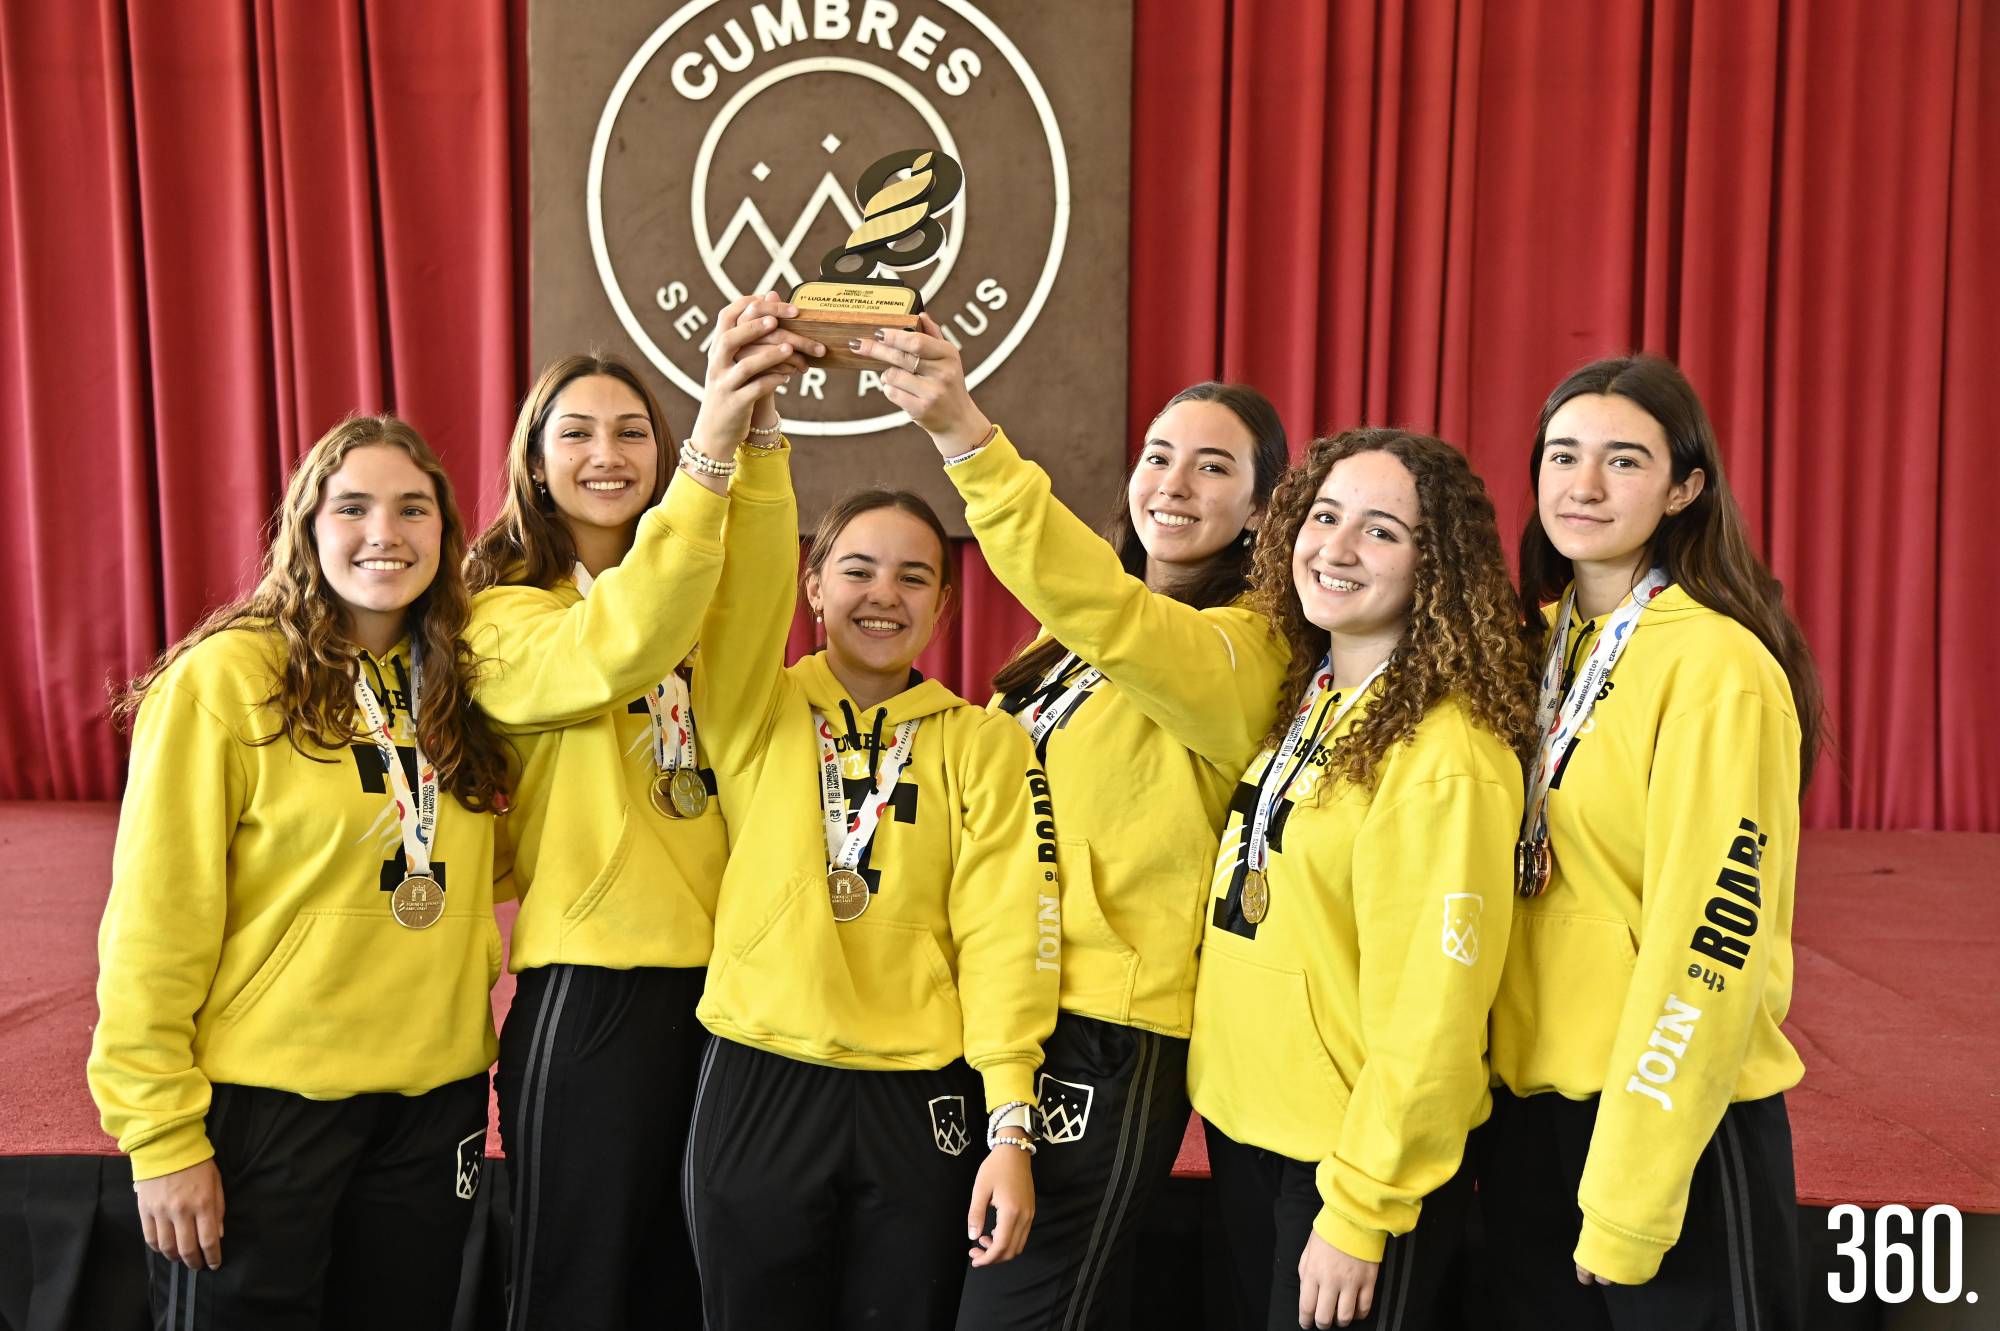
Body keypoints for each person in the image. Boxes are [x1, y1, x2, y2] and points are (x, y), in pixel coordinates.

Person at [847, 323, 1288, 1329]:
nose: (1170, 484)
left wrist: (962, 429)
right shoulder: (1070, 640)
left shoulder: (1245, 650)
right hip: (991, 1011)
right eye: (1157, 457)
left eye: (1211, 467)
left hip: (1104, 1031)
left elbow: (1107, 610)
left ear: (1261, 507)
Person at [89, 414, 512, 1329]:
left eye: (413, 509)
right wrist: (159, 1131)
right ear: (305, 527)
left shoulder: (461, 690)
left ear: (446, 530)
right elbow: (156, 919)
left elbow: (489, 859)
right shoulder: (225, 679)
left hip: (432, 1103)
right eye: (352, 507)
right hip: (267, 1109)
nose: (384, 534)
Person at [680, 330, 1058, 1325]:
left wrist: (1009, 1124)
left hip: (916, 1094)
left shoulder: (983, 743)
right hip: (760, 1069)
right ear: (811, 587)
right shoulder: (747, 705)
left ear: (941, 604)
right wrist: (759, 441)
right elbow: (742, 586)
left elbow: (1004, 935)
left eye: (912, 576)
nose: (881, 594)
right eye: (855, 569)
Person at [464, 302, 816, 1328]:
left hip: (722, 982)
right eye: (574, 431)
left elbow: (747, 614)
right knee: (574, 1282)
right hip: (592, 987)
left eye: (631, 432)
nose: (606, 452)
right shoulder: (503, 616)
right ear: (533, 463)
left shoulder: (683, 604)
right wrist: (709, 440)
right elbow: (618, 644)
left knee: (681, 1275)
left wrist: (754, 432)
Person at [1481, 353, 1822, 1329]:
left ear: (1683, 487)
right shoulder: (1531, 642)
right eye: (1561, 455)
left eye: (1621, 461)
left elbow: (1708, 940)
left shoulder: (1717, 666)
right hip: (1528, 1122)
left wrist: (1633, 1185)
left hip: (1668, 1126)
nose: (1581, 486)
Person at [1188, 428, 1536, 1330]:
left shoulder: (1447, 751)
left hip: (1349, 1170)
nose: (1335, 548)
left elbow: (1436, 1015)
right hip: (1248, 1128)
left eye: (1380, 531)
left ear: (1436, 567)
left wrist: (1360, 1206)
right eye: (1325, 515)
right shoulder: (1308, 700)